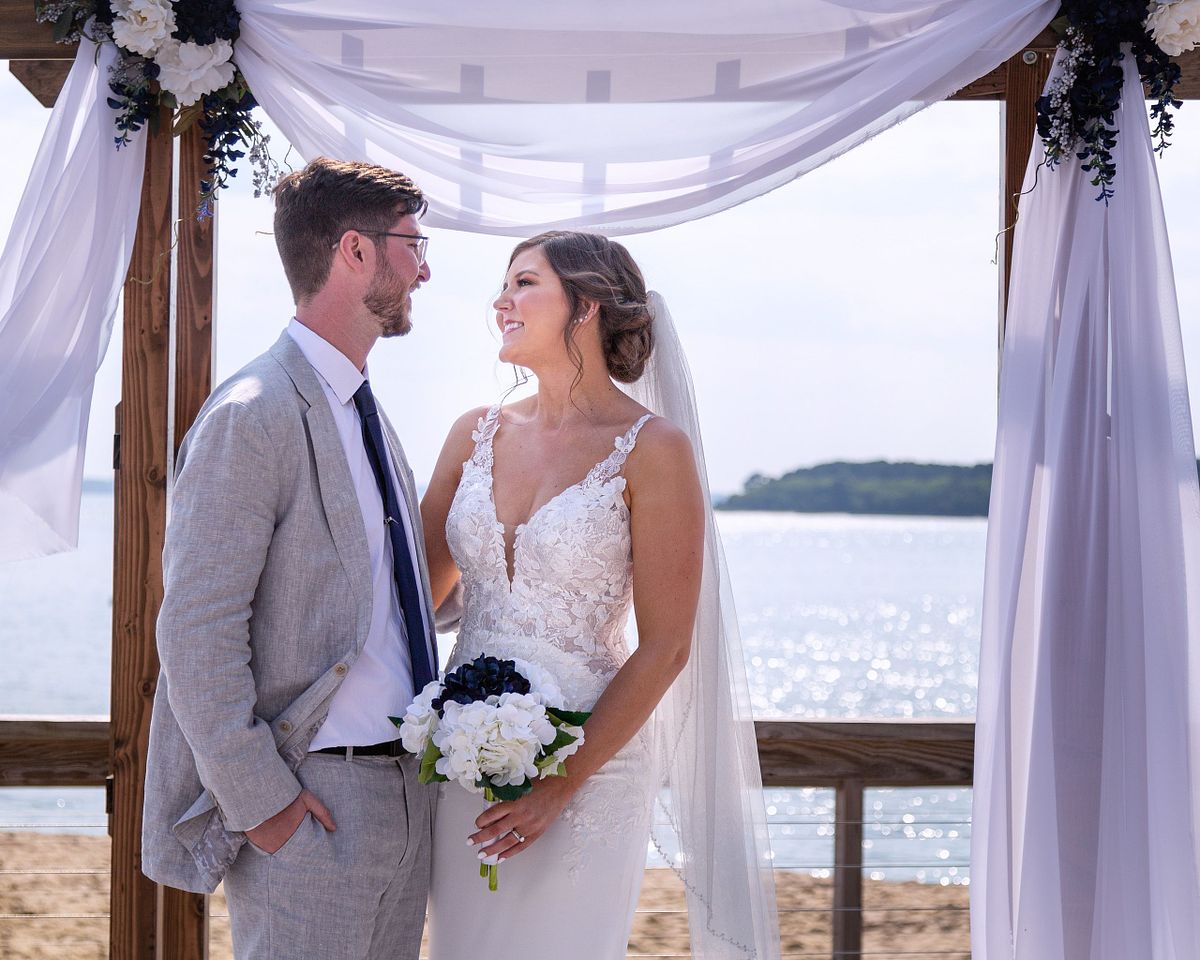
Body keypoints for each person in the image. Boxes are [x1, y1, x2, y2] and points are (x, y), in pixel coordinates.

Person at [419, 231, 780, 958]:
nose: (501, 302)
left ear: (584, 305)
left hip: (592, 770)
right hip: (460, 760)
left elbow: (669, 646)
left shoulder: (653, 449)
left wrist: (561, 783)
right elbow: (411, 598)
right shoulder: (471, 436)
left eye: (523, 284)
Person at [141, 156, 439, 960]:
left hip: (407, 795)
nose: (425, 267)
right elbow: (196, 629)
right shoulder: (254, 412)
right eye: (412, 244)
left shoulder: (368, 416)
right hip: (313, 803)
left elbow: (385, 601)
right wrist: (262, 804)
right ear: (354, 251)